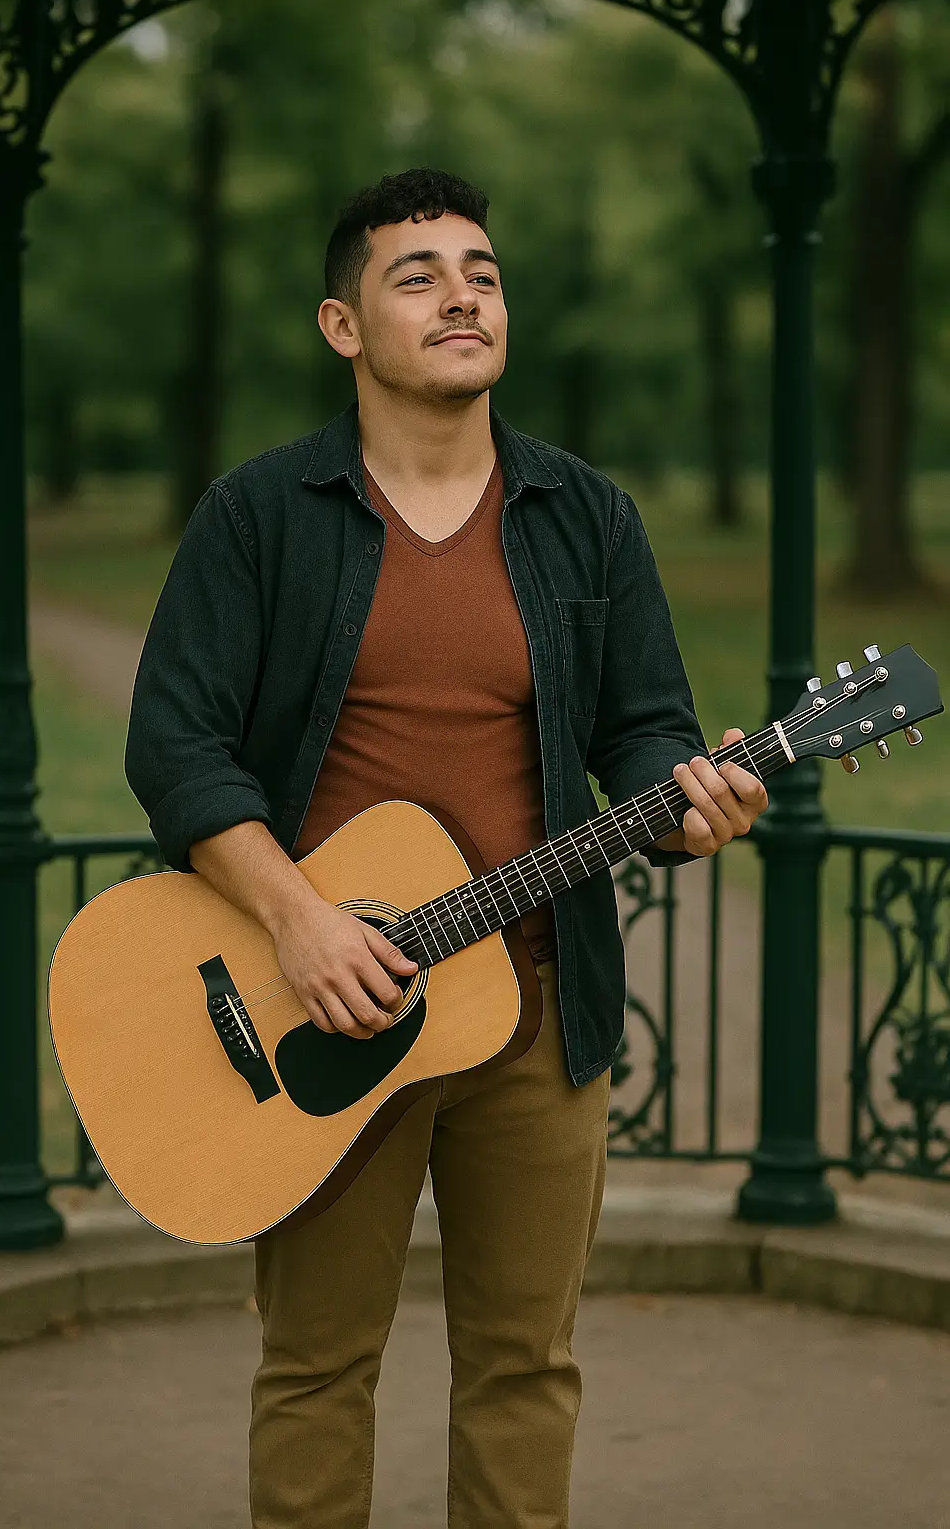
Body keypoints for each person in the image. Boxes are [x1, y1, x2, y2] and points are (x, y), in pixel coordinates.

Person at [125, 167, 768, 1528]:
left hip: (536, 1018)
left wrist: (692, 799)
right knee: (314, 1371)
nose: (461, 292)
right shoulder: (258, 516)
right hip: (318, 1013)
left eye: (480, 270)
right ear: (342, 326)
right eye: (416, 274)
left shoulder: (586, 516)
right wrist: (300, 921)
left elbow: (649, 727)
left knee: (525, 1373)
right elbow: (175, 748)